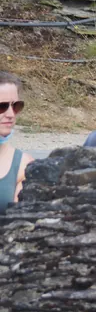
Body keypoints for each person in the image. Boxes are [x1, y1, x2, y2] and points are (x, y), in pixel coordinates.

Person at [0, 71, 33, 213]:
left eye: (16, 106)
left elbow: (19, 224)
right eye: (2, 106)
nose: (11, 114)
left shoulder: (24, 166)